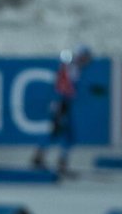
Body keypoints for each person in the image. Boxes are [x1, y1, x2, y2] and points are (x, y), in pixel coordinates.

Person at [31, 44, 93, 175]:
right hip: (61, 104)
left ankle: (52, 159)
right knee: (58, 132)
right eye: (86, 57)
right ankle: (44, 158)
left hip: (65, 104)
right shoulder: (70, 68)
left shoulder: (75, 68)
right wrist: (59, 105)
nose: (87, 61)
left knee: (65, 134)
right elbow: (62, 87)